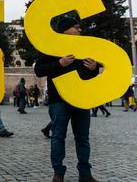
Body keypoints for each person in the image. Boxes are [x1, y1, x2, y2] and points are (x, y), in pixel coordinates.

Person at [34, 15, 99, 182]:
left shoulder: (84, 47)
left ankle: (85, 174)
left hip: (81, 99)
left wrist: (94, 68)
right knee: (57, 137)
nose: (79, 30)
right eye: (76, 27)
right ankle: (58, 173)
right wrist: (60, 63)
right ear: (64, 30)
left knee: (83, 138)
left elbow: (89, 73)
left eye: (79, 27)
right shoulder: (51, 47)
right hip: (59, 100)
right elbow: (39, 70)